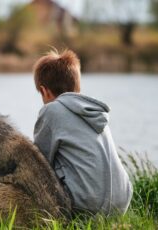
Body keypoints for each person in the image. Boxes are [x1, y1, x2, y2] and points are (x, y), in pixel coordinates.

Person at [33, 49, 133, 215]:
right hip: (121, 202)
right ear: (77, 87)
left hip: (87, 205)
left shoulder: (51, 110)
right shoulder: (93, 111)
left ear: (44, 91)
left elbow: (39, 163)